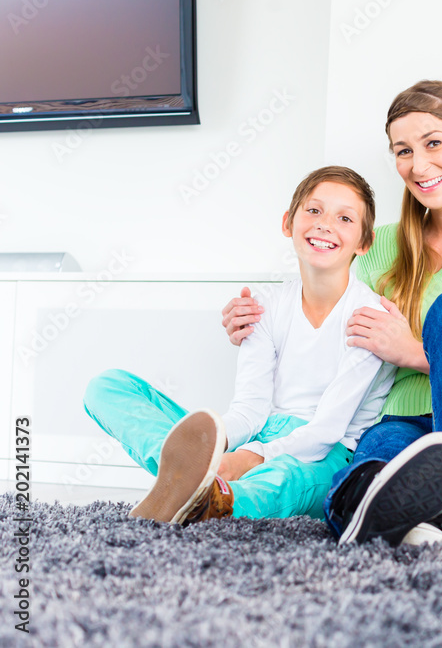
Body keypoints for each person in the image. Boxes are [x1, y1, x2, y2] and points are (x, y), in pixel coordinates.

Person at [222, 81, 442, 547]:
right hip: (404, 425)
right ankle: (377, 516)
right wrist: (254, 320)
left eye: (433, 143)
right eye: (403, 150)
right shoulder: (376, 245)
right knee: (362, 476)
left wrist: (417, 353)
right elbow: (319, 308)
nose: (418, 164)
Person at [84, 166, 396, 523]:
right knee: (107, 387)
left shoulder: (369, 317)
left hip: (326, 452)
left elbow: (327, 430)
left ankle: (215, 498)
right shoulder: (263, 304)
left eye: (344, 218)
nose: (325, 224)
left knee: (286, 480)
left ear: (364, 242)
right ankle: (189, 474)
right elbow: (249, 410)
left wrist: (248, 458)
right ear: (287, 223)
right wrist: (216, 450)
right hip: (261, 432)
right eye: (313, 210)